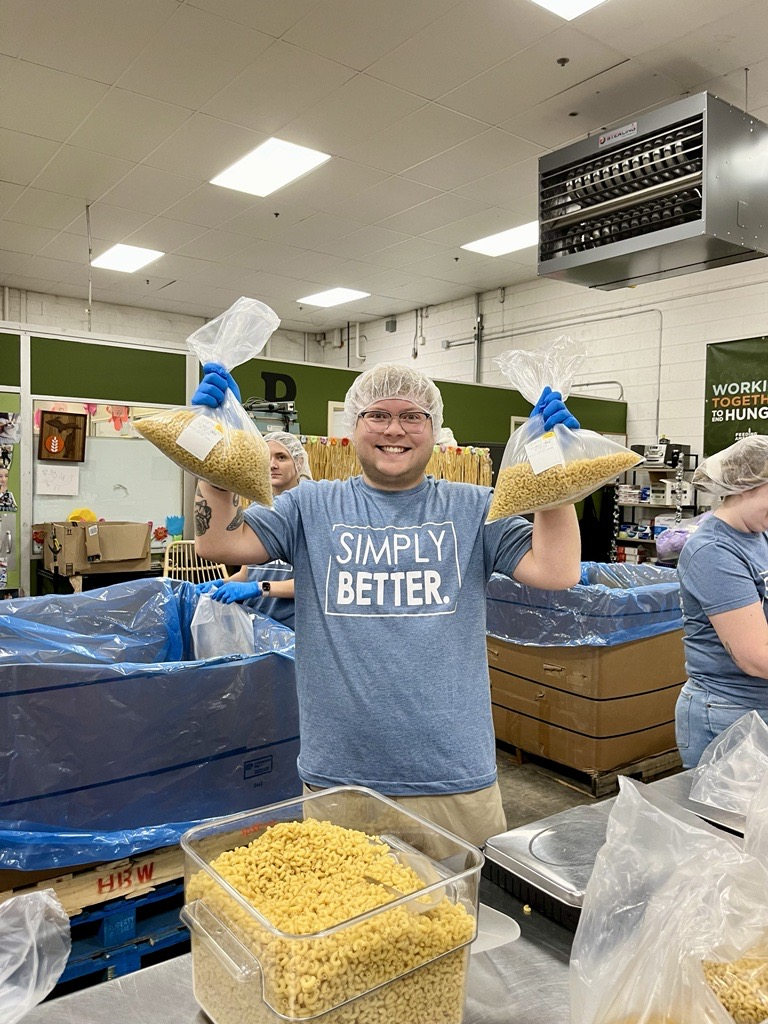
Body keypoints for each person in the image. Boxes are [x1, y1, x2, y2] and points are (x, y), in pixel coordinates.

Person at [193, 361, 582, 846]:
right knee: (347, 919)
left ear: (433, 430)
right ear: (353, 426)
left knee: (459, 916)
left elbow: (557, 570)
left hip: (452, 777)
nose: (394, 429)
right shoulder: (311, 506)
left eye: (413, 416)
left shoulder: (474, 507)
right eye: (377, 414)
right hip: (341, 776)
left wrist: (554, 469)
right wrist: (212, 453)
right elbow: (219, 544)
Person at [675, 434, 768, 769]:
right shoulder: (712, 551)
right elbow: (756, 657)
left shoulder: (759, 536)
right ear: (746, 485)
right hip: (729, 715)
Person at [196, 431, 312, 630]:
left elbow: (319, 584)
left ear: (299, 462)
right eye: (266, 458)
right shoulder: (256, 511)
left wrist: (259, 588)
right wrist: (222, 583)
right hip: (256, 624)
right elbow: (248, 573)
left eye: (281, 457)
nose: (272, 465)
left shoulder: (310, 512)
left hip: (292, 630)